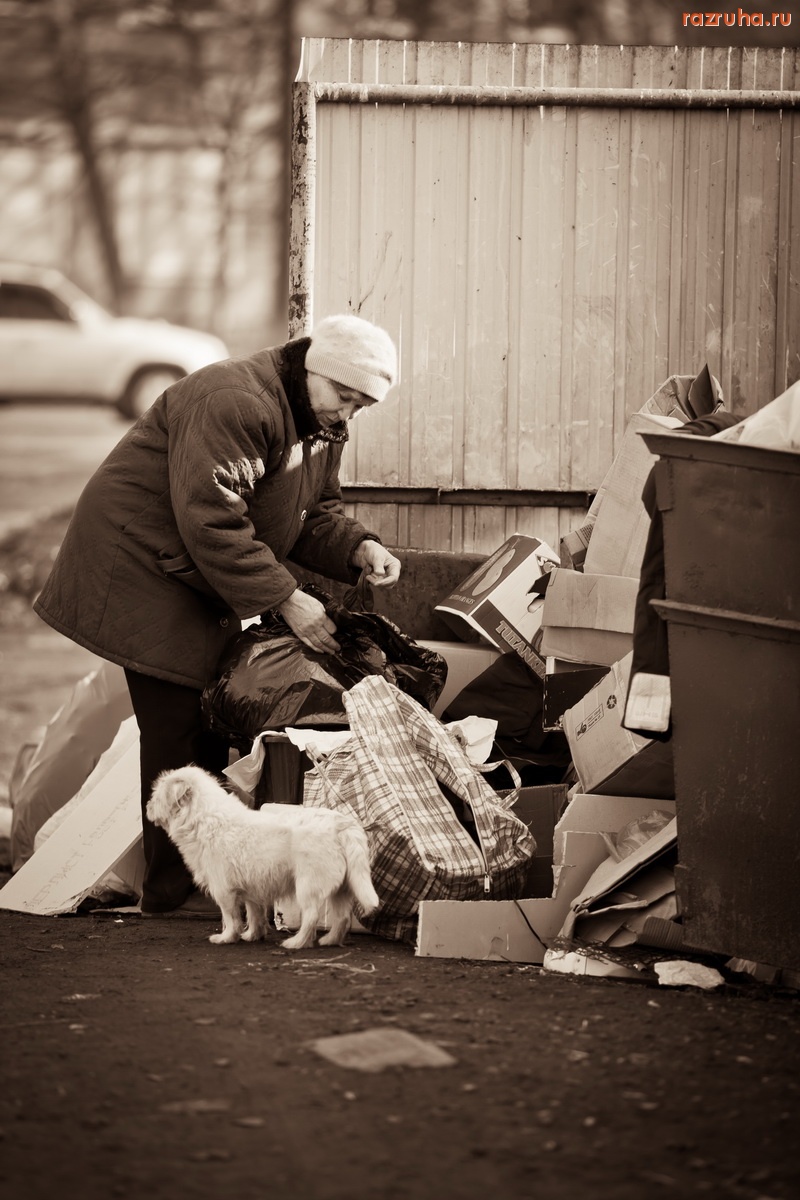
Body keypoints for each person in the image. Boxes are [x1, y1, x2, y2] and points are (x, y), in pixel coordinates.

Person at [33, 313, 402, 916]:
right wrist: (287, 597)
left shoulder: (321, 424)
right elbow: (212, 518)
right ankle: (170, 897)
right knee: (178, 722)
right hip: (142, 560)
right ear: (313, 367)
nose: (348, 414)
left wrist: (359, 545)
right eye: (344, 395)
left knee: (208, 717)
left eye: (363, 405)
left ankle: (201, 888)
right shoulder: (232, 400)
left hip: (196, 568)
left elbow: (312, 515)